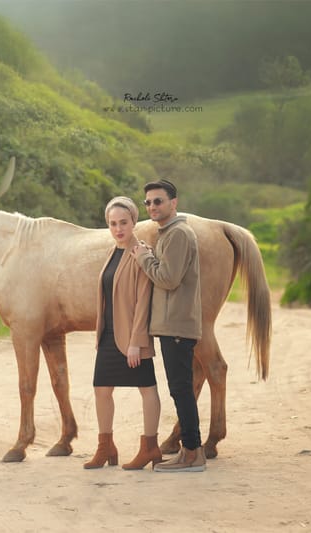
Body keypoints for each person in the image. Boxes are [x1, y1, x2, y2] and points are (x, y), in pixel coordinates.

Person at [132, 179, 205, 472]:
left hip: (177, 326)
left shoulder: (178, 235)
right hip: (170, 325)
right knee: (179, 389)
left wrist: (143, 257)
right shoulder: (169, 234)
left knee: (181, 390)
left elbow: (168, 279)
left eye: (158, 201)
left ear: (174, 203)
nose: (152, 206)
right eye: (148, 202)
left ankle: (193, 454)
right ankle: (190, 451)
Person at [84, 196, 162, 471]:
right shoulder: (112, 252)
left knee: (146, 388)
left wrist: (136, 343)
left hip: (131, 337)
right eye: (113, 224)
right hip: (108, 335)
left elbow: (144, 300)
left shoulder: (141, 251)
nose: (118, 229)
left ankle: (150, 447)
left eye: (124, 223)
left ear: (133, 223)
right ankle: (106, 447)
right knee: (101, 389)